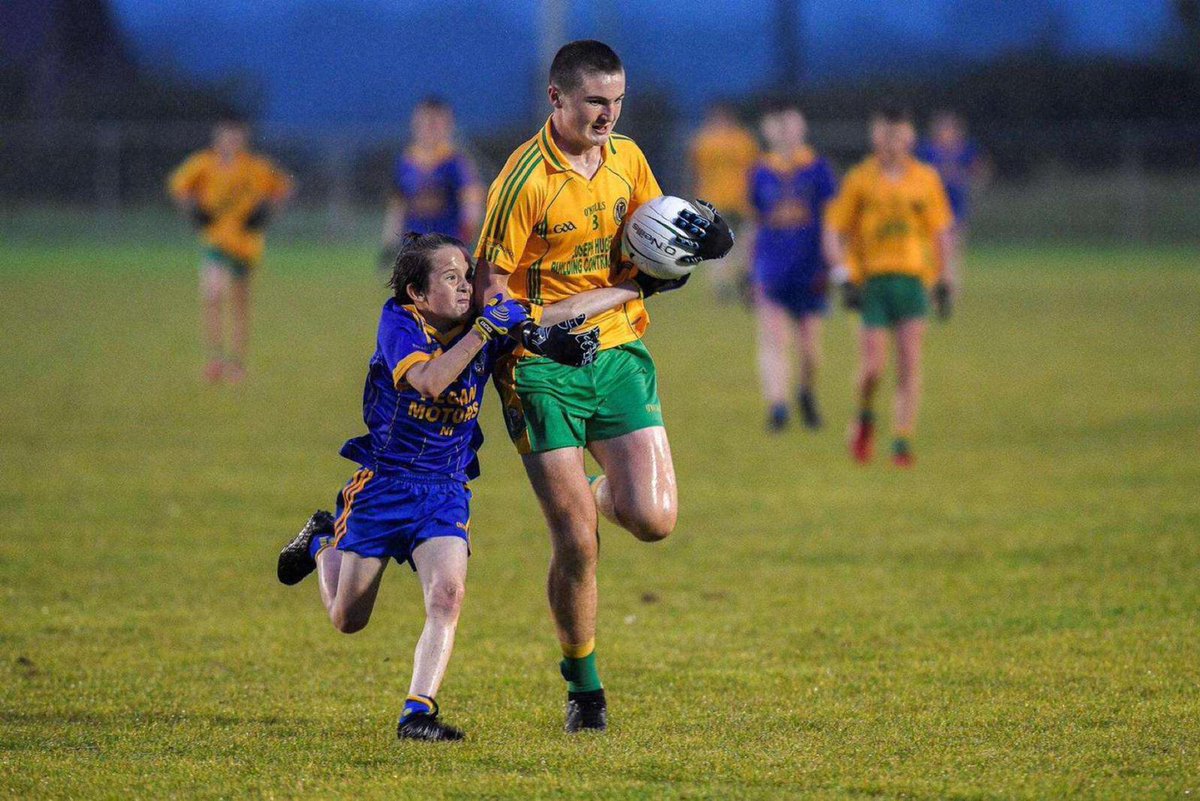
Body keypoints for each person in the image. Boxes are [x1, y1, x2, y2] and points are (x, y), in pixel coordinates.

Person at [474, 40, 733, 733]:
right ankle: (584, 687)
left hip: (617, 351)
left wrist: (700, 236)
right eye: (595, 102)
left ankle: (584, 500)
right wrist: (533, 334)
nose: (608, 116)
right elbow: (487, 294)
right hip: (539, 368)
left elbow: (658, 242)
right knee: (578, 545)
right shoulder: (523, 181)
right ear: (556, 98)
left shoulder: (629, 158)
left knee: (653, 519)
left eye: (617, 102)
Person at [275, 232, 599, 742]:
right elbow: (430, 381)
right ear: (417, 293)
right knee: (346, 619)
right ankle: (321, 539)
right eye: (451, 279)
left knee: (447, 596)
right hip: (384, 487)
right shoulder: (399, 321)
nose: (467, 287)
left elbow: (537, 324)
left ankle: (417, 713)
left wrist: (569, 340)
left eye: (467, 276)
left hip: (445, 488)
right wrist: (483, 334)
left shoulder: (481, 317)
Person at [823, 107, 954, 468]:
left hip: (912, 281)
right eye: (886, 136)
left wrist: (945, 279)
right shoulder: (860, 180)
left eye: (900, 136)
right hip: (873, 284)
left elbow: (941, 231)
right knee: (873, 369)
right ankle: (864, 418)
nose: (893, 143)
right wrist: (842, 275)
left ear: (910, 138)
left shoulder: (926, 179)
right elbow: (834, 230)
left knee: (910, 364)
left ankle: (902, 440)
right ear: (875, 137)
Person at [168, 118, 293, 383]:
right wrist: (193, 210)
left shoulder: (255, 167)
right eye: (227, 138)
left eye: (236, 138)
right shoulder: (203, 164)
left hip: (245, 245)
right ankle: (214, 359)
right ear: (218, 140)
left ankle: (236, 364)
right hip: (215, 241)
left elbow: (284, 188)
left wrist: (266, 213)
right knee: (212, 294)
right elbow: (178, 188)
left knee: (239, 304)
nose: (231, 143)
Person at [747, 102, 838, 432]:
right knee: (773, 338)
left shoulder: (817, 169)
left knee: (810, 348)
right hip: (771, 267)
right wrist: (748, 266)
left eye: (792, 127)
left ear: (802, 130)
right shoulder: (760, 171)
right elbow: (755, 222)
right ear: (771, 130)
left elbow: (831, 220)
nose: (786, 133)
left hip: (810, 268)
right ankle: (778, 407)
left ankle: (805, 393)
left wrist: (834, 262)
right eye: (780, 126)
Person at [380, 97, 484, 271]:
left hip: (447, 246)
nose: (430, 129)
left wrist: (467, 237)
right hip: (414, 247)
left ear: (448, 126)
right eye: (426, 123)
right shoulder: (406, 162)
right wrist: (389, 242)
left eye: (436, 124)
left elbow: (471, 202)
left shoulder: (455, 162)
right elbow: (398, 205)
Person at [687, 100, 760, 301]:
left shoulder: (704, 141)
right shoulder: (743, 140)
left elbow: (695, 172)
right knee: (738, 243)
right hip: (735, 199)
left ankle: (726, 283)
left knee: (720, 244)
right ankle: (734, 280)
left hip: (720, 199)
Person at [916, 111, 987, 316]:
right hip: (929, 211)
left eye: (949, 128)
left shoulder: (965, 150)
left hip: (956, 210)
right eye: (941, 128)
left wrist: (971, 181)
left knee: (952, 254)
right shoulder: (927, 151)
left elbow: (980, 169)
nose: (945, 132)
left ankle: (949, 294)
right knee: (929, 253)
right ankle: (930, 291)